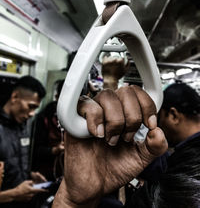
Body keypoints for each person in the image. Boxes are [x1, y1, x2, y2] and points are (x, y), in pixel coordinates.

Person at [52, 82, 200, 208]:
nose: (158, 126)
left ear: (173, 115)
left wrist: (70, 203)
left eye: (159, 118)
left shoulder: (182, 164)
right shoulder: (181, 157)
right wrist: (72, 201)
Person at [0, 75, 48, 207]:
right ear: (15, 97)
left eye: (35, 109)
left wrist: (28, 174)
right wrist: (14, 194)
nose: (32, 113)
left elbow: (13, 160)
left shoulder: (22, 126)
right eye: (30, 106)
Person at [32, 80, 65, 181]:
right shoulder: (44, 118)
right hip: (46, 173)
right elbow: (34, 151)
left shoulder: (77, 120)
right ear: (57, 97)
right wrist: (54, 150)